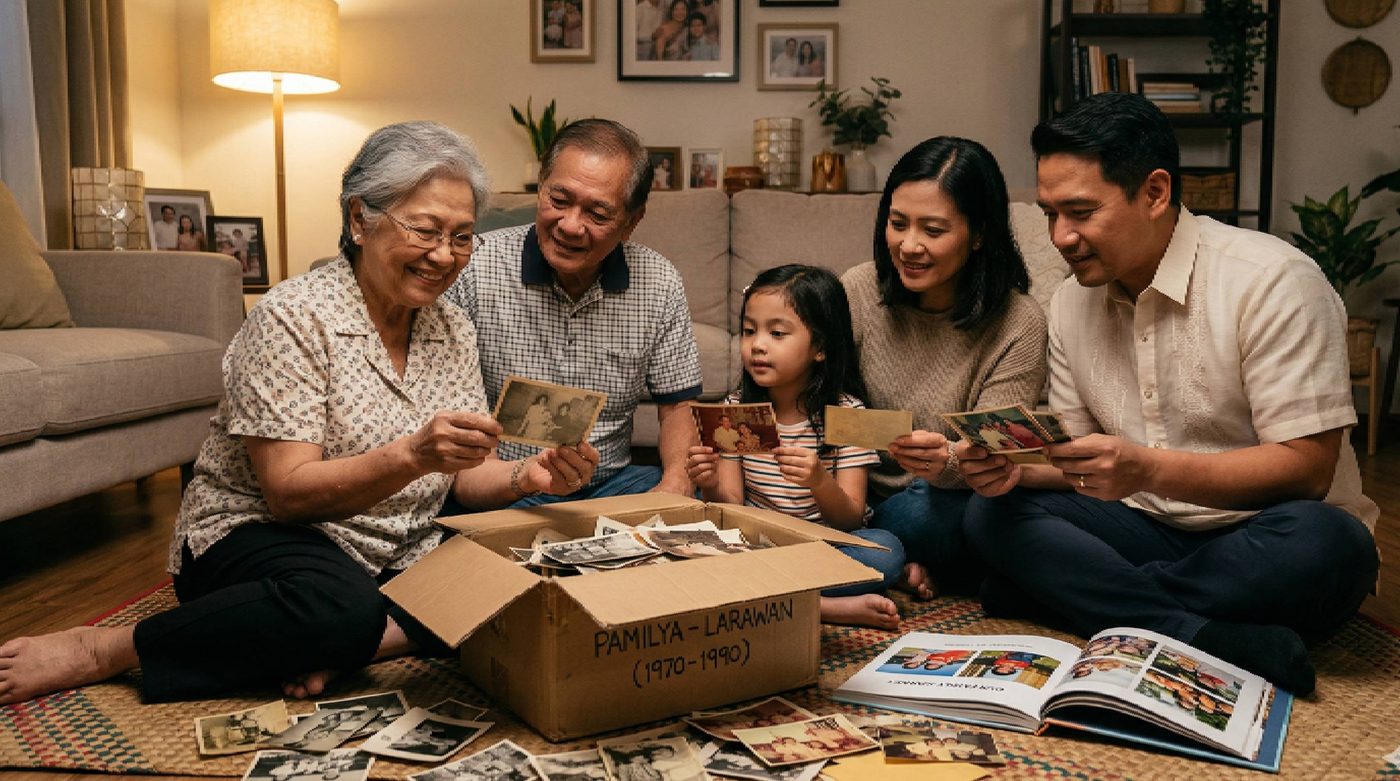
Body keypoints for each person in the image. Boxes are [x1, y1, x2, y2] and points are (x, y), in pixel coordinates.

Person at [0, 121, 600, 706]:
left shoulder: (454, 328)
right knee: (338, 606)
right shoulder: (291, 317)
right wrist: (413, 455)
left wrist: (528, 477)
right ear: (358, 219)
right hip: (267, 539)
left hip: (400, 551)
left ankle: (349, 646)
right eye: (426, 230)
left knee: (533, 568)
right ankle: (110, 649)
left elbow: (467, 477)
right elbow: (288, 494)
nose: (444, 256)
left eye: (463, 236)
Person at [958, 92, 1380, 696]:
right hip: (1142, 523)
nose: (1060, 236)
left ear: (1155, 193)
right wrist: (1013, 472)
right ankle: (1197, 633)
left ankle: (1076, 599)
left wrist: (1146, 469)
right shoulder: (1071, 301)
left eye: (1080, 211)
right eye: (1049, 212)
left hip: (1262, 530)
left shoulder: (1273, 281)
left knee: (1332, 546)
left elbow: (1308, 470)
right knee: (989, 512)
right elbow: (1085, 458)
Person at [442, 118, 703, 508]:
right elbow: (457, 425)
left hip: (609, 482)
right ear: (541, 188)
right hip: (508, 482)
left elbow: (678, 405)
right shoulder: (474, 266)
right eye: (558, 201)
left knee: (699, 500)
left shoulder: (659, 282)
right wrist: (518, 478)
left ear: (631, 222)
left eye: (597, 214)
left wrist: (675, 485)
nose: (570, 226)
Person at [841, 136, 1047, 602]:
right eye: (897, 224)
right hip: (847, 492)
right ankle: (900, 562)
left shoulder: (1019, 322)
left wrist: (949, 459)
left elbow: (997, 456)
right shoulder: (857, 291)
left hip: (938, 501)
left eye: (933, 230)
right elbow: (819, 415)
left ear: (978, 234)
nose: (908, 246)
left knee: (975, 512)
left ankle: (888, 560)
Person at [687, 265, 907, 630]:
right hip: (757, 546)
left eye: (776, 333)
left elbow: (849, 519)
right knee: (700, 550)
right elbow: (731, 507)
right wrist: (708, 484)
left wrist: (819, 481)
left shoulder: (847, 415)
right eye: (748, 331)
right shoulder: (736, 411)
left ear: (819, 347)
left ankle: (778, 596)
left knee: (885, 551)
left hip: (822, 547)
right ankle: (823, 607)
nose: (757, 344)